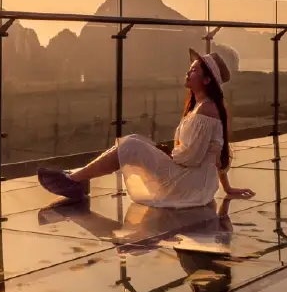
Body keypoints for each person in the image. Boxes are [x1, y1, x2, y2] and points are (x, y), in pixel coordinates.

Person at [37, 48, 256, 206]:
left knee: (131, 146)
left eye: (193, 70)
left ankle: (75, 181)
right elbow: (215, 151)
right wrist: (226, 187)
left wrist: (166, 154)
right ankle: (79, 177)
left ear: (207, 80)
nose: (188, 73)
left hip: (189, 186)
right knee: (135, 140)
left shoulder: (206, 110)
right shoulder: (203, 106)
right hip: (196, 183)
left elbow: (192, 158)